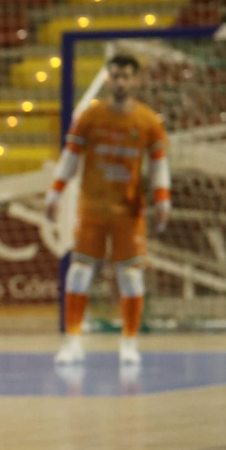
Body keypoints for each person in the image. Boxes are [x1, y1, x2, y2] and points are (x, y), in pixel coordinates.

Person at [47, 53, 170, 368]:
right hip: (92, 209)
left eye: (126, 76)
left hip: (128, 212)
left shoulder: (148, 121)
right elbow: (71, 157)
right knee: (79, 271)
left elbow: (159, 164)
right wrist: (55, 192)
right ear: (108, 79)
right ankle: (72, 341)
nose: (120, 82)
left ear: (136, 80)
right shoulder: (91, 117)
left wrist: (162, 198)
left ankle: (129, 343)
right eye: (115, 76)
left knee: (130, 276)